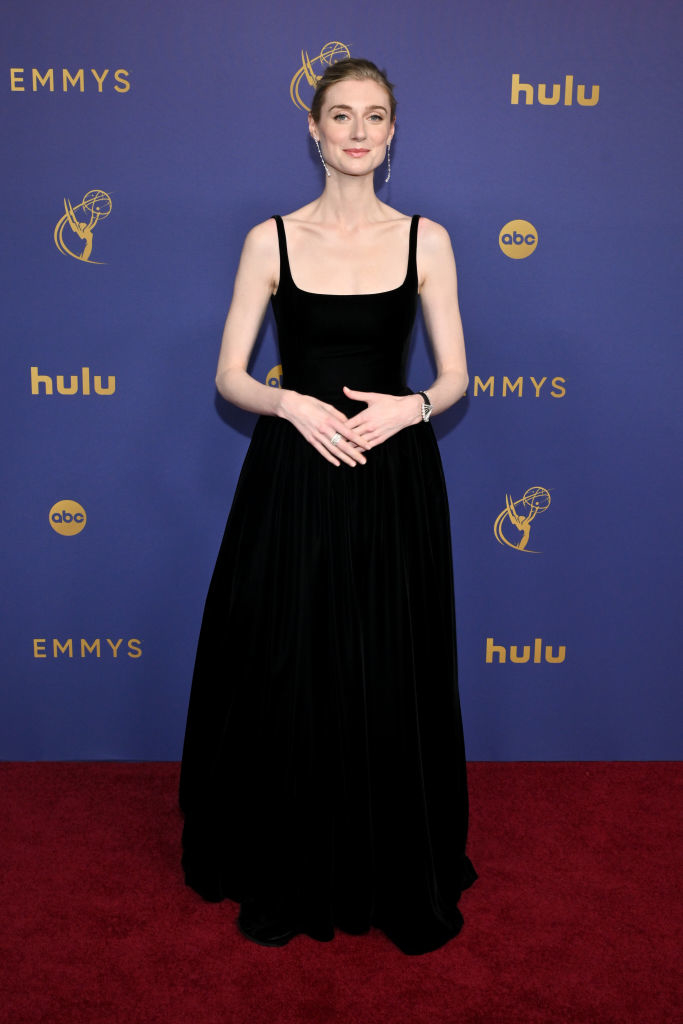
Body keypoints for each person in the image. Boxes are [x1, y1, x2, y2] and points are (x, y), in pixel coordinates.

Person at [179, 57, 477, 956]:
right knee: (288, 657)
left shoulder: (428, 239)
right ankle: (285, 849)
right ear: (312, 129)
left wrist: (412, 407)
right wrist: (291, 403)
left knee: (390, 659)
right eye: (339, 113)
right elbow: (231, 376)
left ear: (392, 134)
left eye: (374, 115)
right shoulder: (269, 239)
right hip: (294, 471)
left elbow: (458, 374)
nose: (356, 129)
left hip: (392, 475)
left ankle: (391, 857)